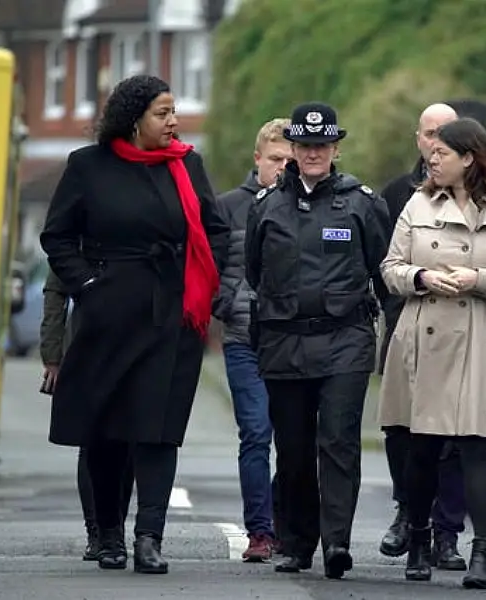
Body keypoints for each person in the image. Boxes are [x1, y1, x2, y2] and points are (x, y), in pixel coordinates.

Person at [40, 74, 229, 575]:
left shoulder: (187, 164)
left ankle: (150, 537)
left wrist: (207, 287)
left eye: (174, 111)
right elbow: (57, 236)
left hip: (172, 315)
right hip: (107, 315)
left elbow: (216, 232)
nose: (174, 121)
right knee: (105, 430)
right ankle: (108, 534)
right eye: (162, 113)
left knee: (158, 430)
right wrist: (87, 285)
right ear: (133, 119)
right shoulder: (87, 167)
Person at [379, 117, 486, 589]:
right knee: (421, 447)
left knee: (475, 447)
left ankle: (483, 553)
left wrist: (480, 281)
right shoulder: (417, 202)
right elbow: (391, 268)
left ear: (468, 157)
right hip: (424, 334)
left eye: (443, 153)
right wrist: (422, 279)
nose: (432, 158)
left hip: (480, 335)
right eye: (431, 153)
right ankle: (420, 541)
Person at [245, 102, 391, 579]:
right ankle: (295, 543)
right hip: (285, 340)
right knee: (292, 448)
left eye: (322, 145)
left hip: (344, 339)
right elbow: (253, 269)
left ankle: (337, 544)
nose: (313, 154)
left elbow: (381, 269)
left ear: (335, 148)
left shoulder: (362, 202)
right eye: (305, 145)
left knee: (338, 442)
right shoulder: (267, 206)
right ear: (292, 148)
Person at [377, 103, 468, 570]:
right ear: (418, 139)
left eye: (445, 134)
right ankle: (407, 512)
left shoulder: (477, 195)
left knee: (452, 437)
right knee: (402, 430)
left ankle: (448, 532)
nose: (436, 142)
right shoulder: (395, 195)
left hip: (458, 333)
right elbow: (380, 264)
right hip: (407, 325)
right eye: (429, 133)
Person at [213, 118, 292, 562]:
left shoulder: (303, 204)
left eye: (288, 159)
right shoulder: (228, 207)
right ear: (257, 159)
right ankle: (260, 532)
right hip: (243, 336)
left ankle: (285, 525)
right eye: (275, 158)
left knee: (294, 437)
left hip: (291, 339)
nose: (282, 167)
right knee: (256, 433)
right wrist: (225, 303)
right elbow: (212, 265)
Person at [39, 268, 134, 561]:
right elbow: (56, 289)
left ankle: (113, 528)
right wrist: (52, 355)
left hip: (136, 342)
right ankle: (99, 531)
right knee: (91, 438)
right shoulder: (77, 228)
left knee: (128, 437)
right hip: (85, 343)